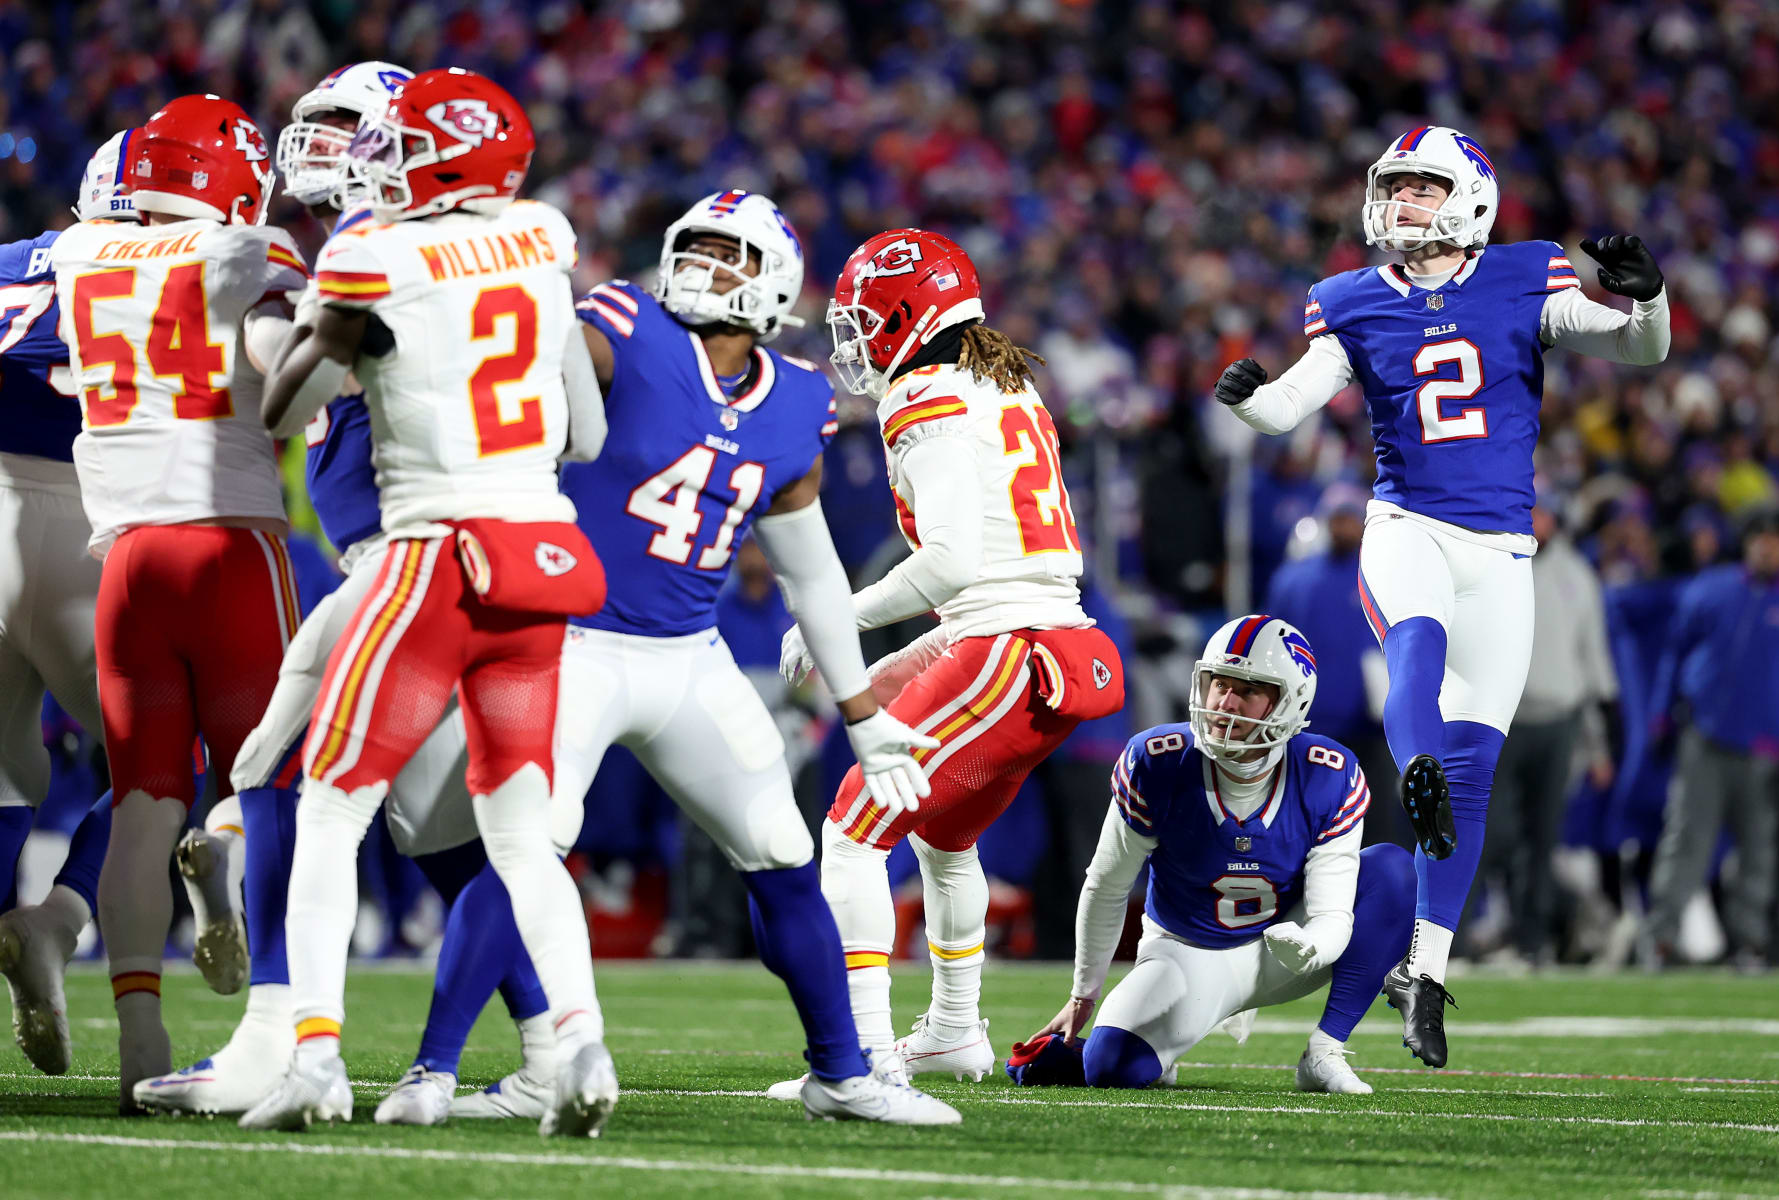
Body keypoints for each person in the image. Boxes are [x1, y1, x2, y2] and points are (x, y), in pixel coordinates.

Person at [371, 190, 957, 1128]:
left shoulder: (798, 400)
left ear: (774, 286)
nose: (708, 267)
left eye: (733, 256)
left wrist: (864, 713)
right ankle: (432, 1071)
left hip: (689, 654)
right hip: (572, 642)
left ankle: (841, 1074)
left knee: (781, 847)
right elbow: (546, 355)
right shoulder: (623, 326)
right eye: (699, 248)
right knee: (527, 845)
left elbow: (812, 574)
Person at [1213, 124, 1670, 1066]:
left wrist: (1647, 295)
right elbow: (1289, 407)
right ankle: (1412, 767)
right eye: (1396, 186)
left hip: (1504, 550)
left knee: (1476, 772)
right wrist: (1250, 397)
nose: (1402, 203)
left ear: (1467, 196)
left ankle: (1424, 970)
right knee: (1413, 649)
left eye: (1422, 186)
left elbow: (1639, 351)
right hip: (1407, 523)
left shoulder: (1525, 275)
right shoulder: (1349, 300)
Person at [239, 68, 612, 1138]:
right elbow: (580, 433)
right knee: (518, 830)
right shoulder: (542, 239)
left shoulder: (374, 252)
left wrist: (322, 333)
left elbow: (285, 405)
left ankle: (314, 1055)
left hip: (430, 554)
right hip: (539, 548)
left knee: (330, 804)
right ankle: (580, 1043)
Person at [132, 61, 426, 1118]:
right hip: (431, 561)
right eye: (309, 122)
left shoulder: (374, 255)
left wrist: (287, 321)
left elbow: (296, 389)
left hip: (411, 565)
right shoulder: (424, 250)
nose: (313, 141)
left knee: (283, 780)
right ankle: (544, 1041)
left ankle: (283, 1044)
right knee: (455, 837)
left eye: (343, 124)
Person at [775, 229, 1126, 1090]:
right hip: (1046, 645)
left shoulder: (924, 393)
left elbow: (953, 565)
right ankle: (952, 1031)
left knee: (853, 833)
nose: (854, 341)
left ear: (906, 316)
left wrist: (838, 617)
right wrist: (919, 650)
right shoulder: (1000, 382)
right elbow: (997, 578)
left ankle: (856, 1058)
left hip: (1011, 646)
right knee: (942, 835)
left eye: (865, 321)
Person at [50, 97, 317, 1110]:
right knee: (274, 783)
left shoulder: (80, 253)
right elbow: (267, 351)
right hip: (228, 543)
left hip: (123, 560)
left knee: (139, 806)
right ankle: (247, 903)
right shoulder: (253, 249)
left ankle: (137, 1037)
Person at [1022, 614, 1413, 1094]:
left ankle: (1326, 1049)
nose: (1226, 703)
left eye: (1248, 690)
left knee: (1392, 872)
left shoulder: (1327, 773)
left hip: (1283, 948)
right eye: (1218, 684)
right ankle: (1158, 1043)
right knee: (1110, 1068)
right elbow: (1107, 884)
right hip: (1188, 953)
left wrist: (1314, 945)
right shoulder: (1157, 762)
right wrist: (1084, 994)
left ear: (1292, 701)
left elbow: (1333, 912)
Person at [0, 132, 140, 1078]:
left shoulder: (11, 264)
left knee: (4, 775)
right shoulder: (199, 274)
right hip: (98, 520)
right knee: (172, 758)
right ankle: (64, 913)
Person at [1642, 507, 1779, 971]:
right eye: (1759, 536)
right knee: (1685, 839)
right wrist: (1660, 717)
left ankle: (1750, 942)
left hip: (1767, 749)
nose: (1766, 546)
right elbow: (1674, 656)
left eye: (1776, 538)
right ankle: (1662, 940)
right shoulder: (1711, 590)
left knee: (1758, 848)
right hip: (1705, 738)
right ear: (1746, 542)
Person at [1480, 497, 1618, 963]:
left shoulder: (1577, 576)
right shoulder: (1491, 561)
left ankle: (1531, 938)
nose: (1538, 520)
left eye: (1545, 513)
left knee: (1543, 838)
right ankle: (1479, 930)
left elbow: (1591, 660)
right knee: (1492, 833)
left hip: (1560, 722)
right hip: (1503, 720)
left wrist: (1598, 743)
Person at [1264, 486, 1399, 846]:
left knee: (1373, 825)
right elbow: (1272, 647)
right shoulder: (1294, 579)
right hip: (1312, 723)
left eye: (1350, 518)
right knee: (1312, 824)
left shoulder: (1384, 575)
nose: (1343, 527)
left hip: (1371, 726)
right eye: (1337, 518)